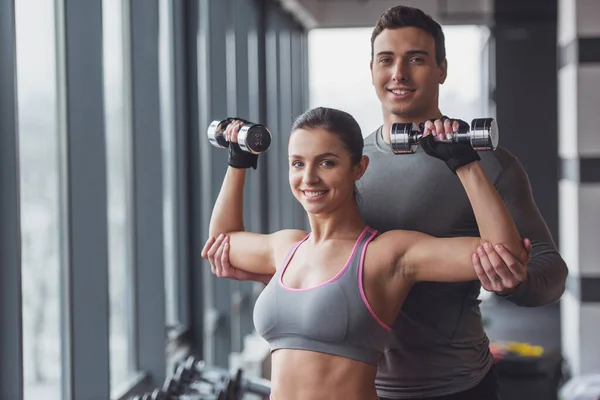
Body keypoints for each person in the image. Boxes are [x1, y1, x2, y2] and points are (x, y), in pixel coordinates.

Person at [203, 5, 568, 400]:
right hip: (369, 384)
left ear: (442, 69)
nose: (399, 73)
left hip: (453, 384)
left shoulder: (486, 165)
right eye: (386, 59)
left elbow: (547, 271)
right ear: (372, 69)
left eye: (416, 59)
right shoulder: (340, 164)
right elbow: (330, 261)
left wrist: (513, 281)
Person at [204, 106, 528, 400]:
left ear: (359, 168)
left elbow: (502, 253)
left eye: (327, 162)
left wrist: (464, 162)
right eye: (298, 164)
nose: (309, 177)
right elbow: (222, 242)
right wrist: (239, 161)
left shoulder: (385, 255)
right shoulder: (286, 248)